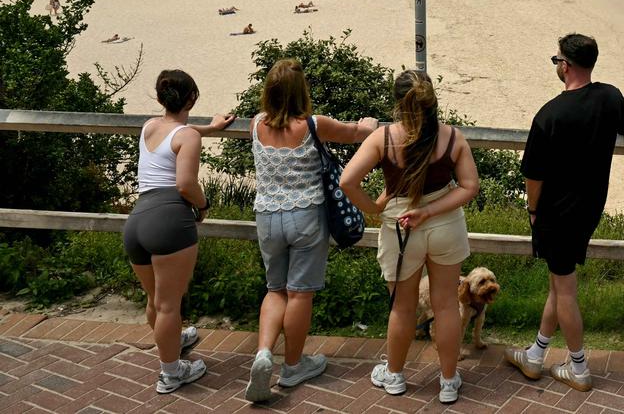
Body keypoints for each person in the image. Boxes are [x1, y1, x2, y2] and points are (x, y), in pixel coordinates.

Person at [504, 34, 624, 392]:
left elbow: (533, 174)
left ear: (567, 65)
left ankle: (578, 367)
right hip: (590, 207)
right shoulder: (610, 96)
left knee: (565, 291)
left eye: (556, 60)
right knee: (557, 281)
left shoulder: (550, 114)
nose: (556, 65)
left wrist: (533, 212)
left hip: (556, 213)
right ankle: (535, 354)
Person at [340, 70, 480, 404]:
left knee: (402, 309)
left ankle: (396, 377)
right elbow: (470, 187)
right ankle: (448, 382)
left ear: (397, 103)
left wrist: (374, 208)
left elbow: (348, 181)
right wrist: (430, 211)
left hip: (401, 227)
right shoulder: (451, 138)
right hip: (445, 225)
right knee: (446, 305)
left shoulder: (383, 138)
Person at [244, 59, 379, 402]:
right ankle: (292, 366)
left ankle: (263, 354)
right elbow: (356, 133)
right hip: (305, 216)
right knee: (300, 293)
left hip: (267, 217)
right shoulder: (313, 125)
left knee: (276, 290)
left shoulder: (255, 124)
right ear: (301, 92)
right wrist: (368, 124)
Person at [123, 70, 234, 394]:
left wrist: (210, 128)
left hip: (137, 221)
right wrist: (203, 206)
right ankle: (171, 373)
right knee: (170, 304)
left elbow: (178, 132)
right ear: (192, 98)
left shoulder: (150, 127)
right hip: (170, 220)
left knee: (156, 300)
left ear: (161, 98)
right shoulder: (188, 137)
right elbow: (185, 184)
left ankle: (174, 340)